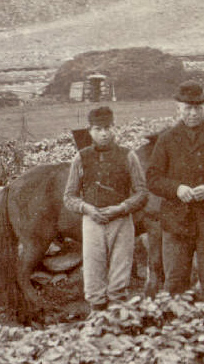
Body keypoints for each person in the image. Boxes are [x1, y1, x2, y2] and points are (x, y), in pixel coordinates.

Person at [146, 80, 204, 302]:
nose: (193, 113)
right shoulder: (167, 139)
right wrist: (176, 189)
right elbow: (153, 178)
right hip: (176, 222)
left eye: (198, 108)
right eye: (188, 108)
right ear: (178, 108)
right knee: (176, 285)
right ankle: (178, 332)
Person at [63, 104, 149, 311]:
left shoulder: (128, 156)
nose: (104, 134)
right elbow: (69, 196)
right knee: (93, 272)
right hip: (93, 221)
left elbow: (142, 192)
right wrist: (87, 208)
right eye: (98, 129)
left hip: (121, 221)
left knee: (120, 274)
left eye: (108, 128)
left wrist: (121, 207)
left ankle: (118, 318)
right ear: (90, 131)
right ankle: (97, 318)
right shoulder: (81, 158)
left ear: (114, 128)